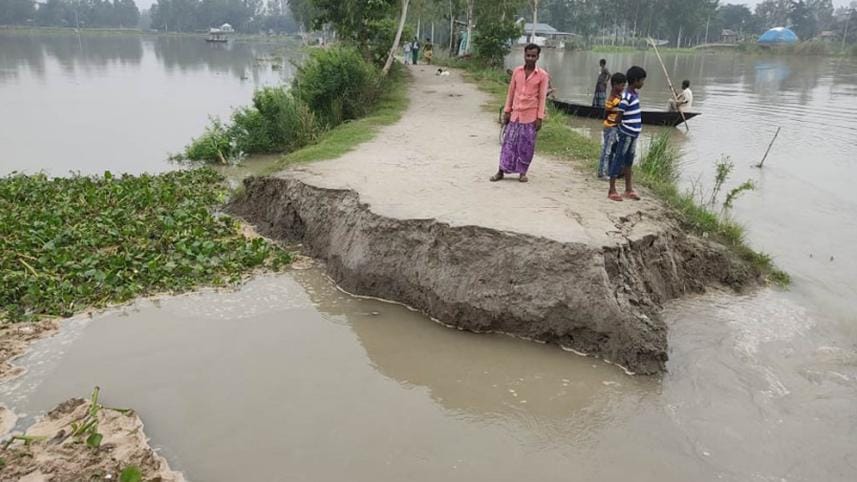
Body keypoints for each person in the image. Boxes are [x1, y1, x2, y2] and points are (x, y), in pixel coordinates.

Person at [490, 44, 549, 184]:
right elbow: (511, 92)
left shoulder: (542, 75)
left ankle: (523, 173)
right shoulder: (517, 71)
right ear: (524, 55)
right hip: (515, 114)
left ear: (538, 57)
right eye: (528, 55)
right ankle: (501, 171)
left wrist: (540, 117)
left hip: (530, 116)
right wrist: (507, 110)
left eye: (533, 56)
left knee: (526, 146)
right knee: (508, 144)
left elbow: (542, 98)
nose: (530, 58)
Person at [608, 66, 646, 202]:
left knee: (629, 161)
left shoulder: (634, 95)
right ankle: (612, 190)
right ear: (635, 80)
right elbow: (619, 116)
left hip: (634, 134)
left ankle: (628, 189)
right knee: (619, 159)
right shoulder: (626, 97)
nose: (643, 83)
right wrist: (618, 129)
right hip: (626, 134)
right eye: (642, 80)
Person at [598, 72, 626, 179]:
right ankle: (603, 172)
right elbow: (607, 109)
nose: (623, 88)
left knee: (613, 148)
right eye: (622, 85)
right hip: (610, 126)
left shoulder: (618, 97)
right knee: (607, 149)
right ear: (615, 85)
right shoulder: (612, 98)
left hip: (614, 126)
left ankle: (610, 170)